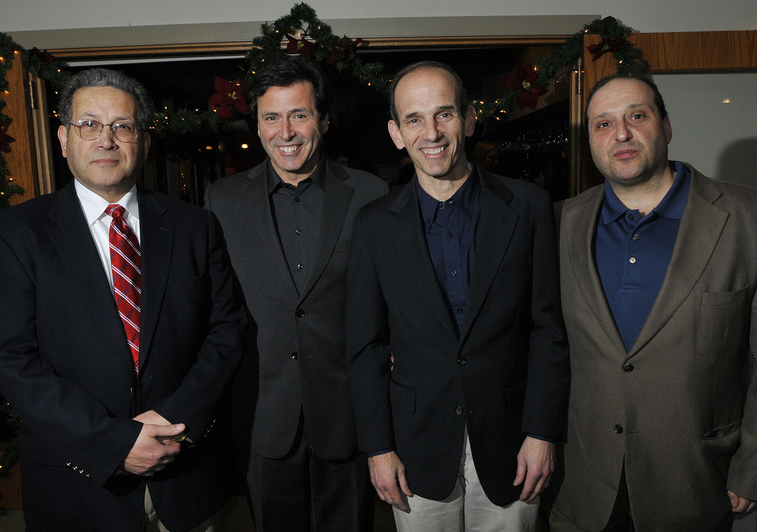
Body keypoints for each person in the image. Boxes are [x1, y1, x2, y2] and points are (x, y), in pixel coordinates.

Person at [0, 68, 246, 531]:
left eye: (122, 126)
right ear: (63, 138)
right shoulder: (16, 235)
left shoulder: (194, 227)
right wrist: (115, 442)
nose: (106, 140)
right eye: (89, 125)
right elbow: (7, 355)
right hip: (77, 486)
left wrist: (172, 421)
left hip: (185, 478)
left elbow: (227, 331)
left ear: (143, 140)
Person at [346, 61, 570, 532]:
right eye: (414, 119)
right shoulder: (373, 225)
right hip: (415, 445)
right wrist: (378, 448)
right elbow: (365, 348)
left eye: (444, 114)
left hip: (514, 444)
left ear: (469, 120)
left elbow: (548, 329)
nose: (431, 132)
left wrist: (542, 432)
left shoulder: (527, 207)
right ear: (395, 132)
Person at [549, 73, 757, 531]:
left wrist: (751, 466)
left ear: (665, 126)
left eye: (636, 116)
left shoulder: (746, 218)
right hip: (583, 486)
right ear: (589, 141)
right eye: (602, 124)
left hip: (694, 483)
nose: (620, 134)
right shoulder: (561, 224)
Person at [203, 56, 387, 532]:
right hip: (264, 415)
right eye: (271, 117)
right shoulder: (220, 201)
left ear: (323, 120)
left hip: (348, 415)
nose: (286, 131)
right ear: (258, 126)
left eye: (299, 115)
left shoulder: (371, 195)